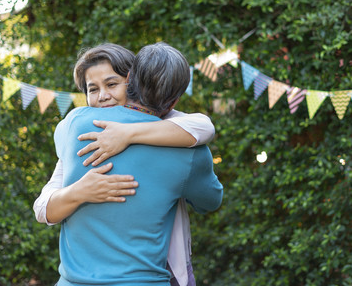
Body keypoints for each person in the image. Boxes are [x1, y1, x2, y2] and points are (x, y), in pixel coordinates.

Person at [33, 43, 215, 285]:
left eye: (111, 84)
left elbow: (202, 126)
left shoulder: (73, 125)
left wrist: (128, 134)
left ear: (131, 80)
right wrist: (79, 191)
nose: (103, 96)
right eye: (92, 89)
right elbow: (210, 200)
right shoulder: (188, 149)